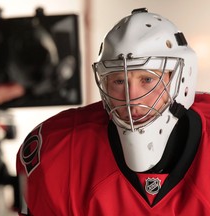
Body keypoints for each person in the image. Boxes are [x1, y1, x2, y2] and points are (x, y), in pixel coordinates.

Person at [16, 8, 210, 215]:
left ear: (181, 80)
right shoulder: (61, 150)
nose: (131, 97)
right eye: (118, 80)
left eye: (147, 79)